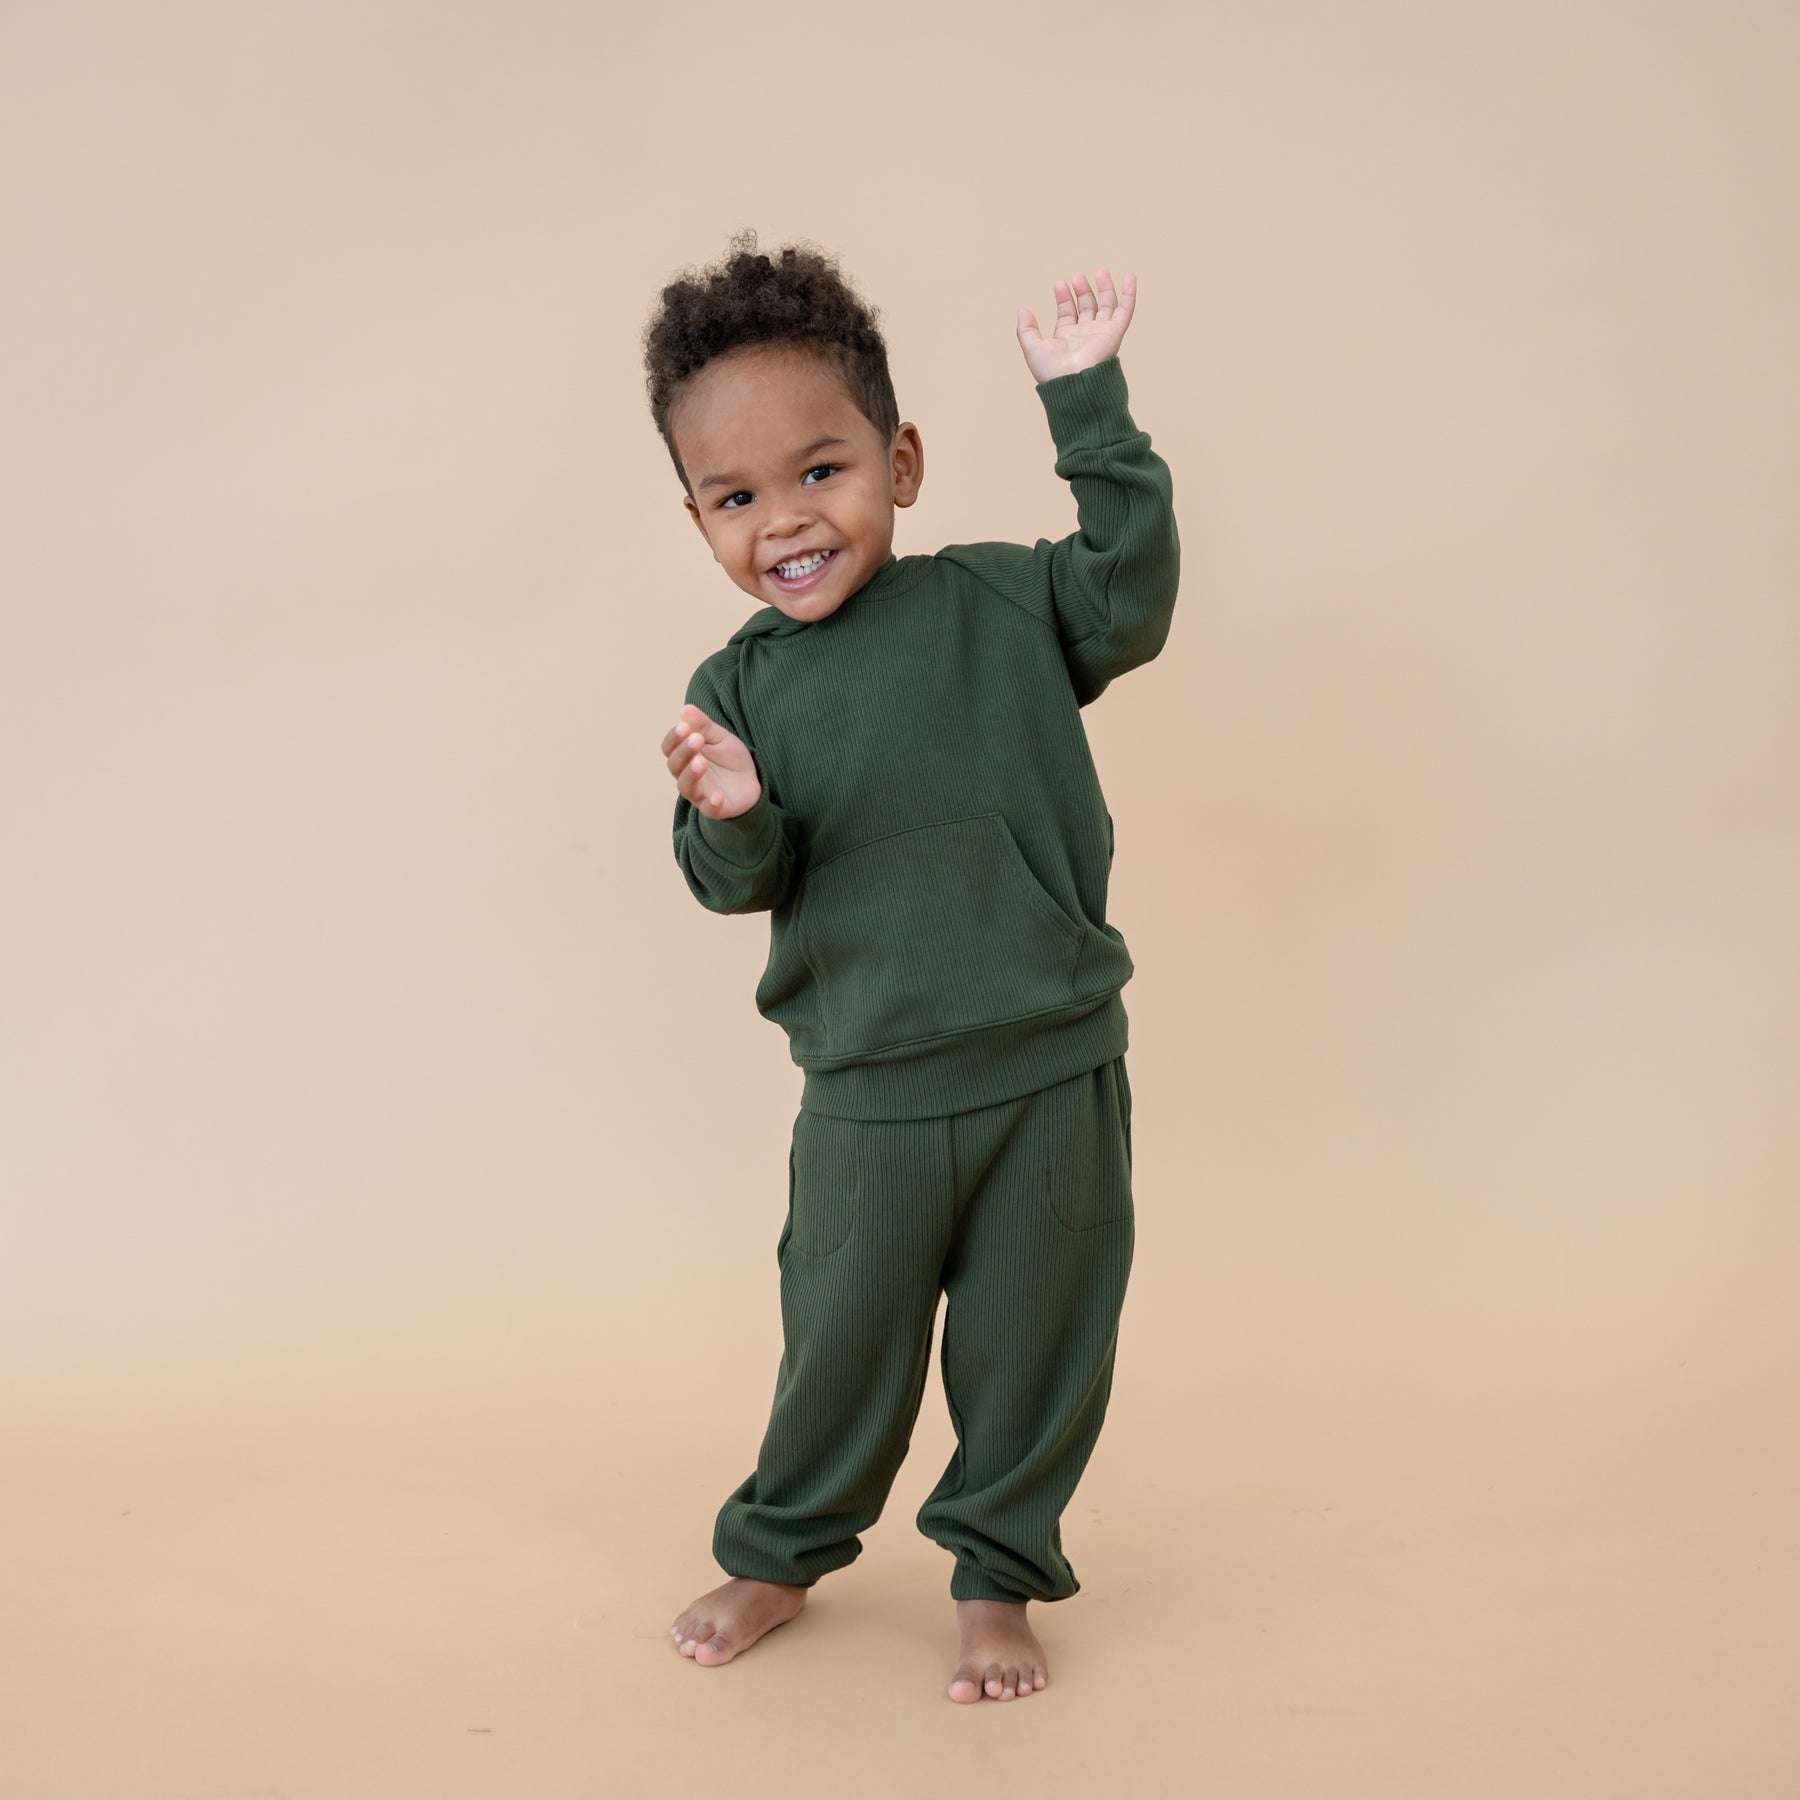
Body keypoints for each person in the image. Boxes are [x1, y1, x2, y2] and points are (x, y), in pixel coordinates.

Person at [645, 228, 1179, 1703]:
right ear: (696, 517)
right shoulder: (736, 688)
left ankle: (999, 1577)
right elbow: (723, 880)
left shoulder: (1005, 603)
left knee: (1035, 1345)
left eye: (823, 470)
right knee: (839, 1348)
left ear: (904, 459)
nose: (787, 521)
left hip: (1051, 1064)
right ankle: (777, 1553)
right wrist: (734, 816)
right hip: (869, 1094)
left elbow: (1129, 593)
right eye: (736, 497)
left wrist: (1090, 406)